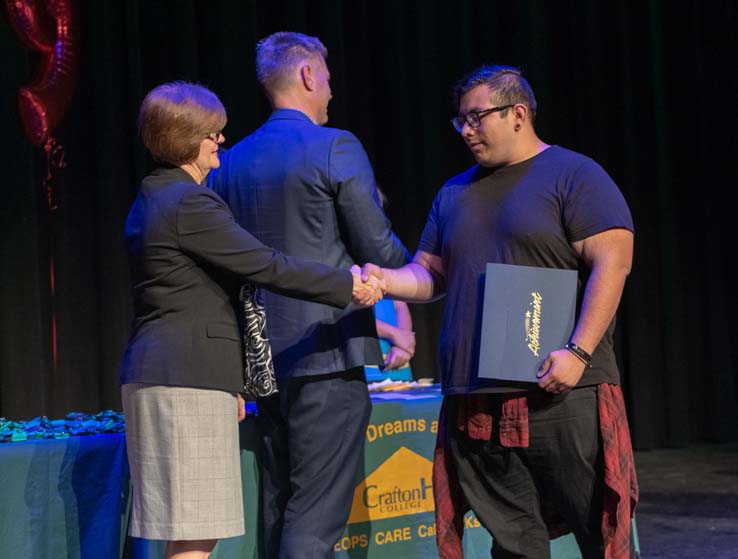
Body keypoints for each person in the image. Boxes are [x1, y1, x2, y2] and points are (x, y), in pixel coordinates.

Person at [369, 65, 638, 559]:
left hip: (561, 391)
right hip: (478, 398)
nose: (466, 131)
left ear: (518, 114)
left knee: (598, 532)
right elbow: (430, 276)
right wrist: (384, 280)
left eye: (477, 118)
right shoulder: (454, 192)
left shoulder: (573, 174)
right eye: (461, 122)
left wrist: (578, 350)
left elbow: (613, 261)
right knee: (513, 544)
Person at [120, 81, 382, 559]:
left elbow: (197, 293)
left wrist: (234, 380)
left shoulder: (152, 199)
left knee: (189, 531)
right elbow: (266, 265)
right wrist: (348, 285)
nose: (221, 140)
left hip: (167, 371)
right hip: (186, 377)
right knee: (195, 534)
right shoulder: (189, 203)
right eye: (213, 133)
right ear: (190, 139)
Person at [209, 32, 410, 559]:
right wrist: (427, 264)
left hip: (262, 359)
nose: (330, 92)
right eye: (327, 78)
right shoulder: (334, 146)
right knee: (316, 519)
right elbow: (378, 250)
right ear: (307, 76)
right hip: (327, 350)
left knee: (282, 503)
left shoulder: (227, 164)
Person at [365, 188, 415, 382]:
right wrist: (395, 334)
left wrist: (403, 344)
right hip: (368, 355)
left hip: (397, 355)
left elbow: (400, 305)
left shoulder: (385, 252)